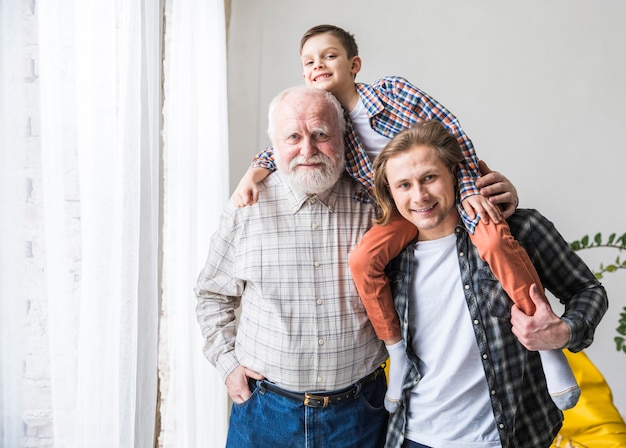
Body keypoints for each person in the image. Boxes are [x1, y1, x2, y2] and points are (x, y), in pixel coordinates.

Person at [231, 24, 579, 412]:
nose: (319, 66)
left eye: (329, 56)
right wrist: (252, 174)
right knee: (362, 261)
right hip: (399, 210)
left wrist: (466, 190)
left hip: (451, 188)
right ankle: (397, 355)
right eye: (309, 62)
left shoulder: (393, 91)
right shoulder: (331, 127)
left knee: (495, 242)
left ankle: (545, 343)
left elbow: (454, 134)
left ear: (354, 63)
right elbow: (286, 142)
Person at [373, 121, 608, 448]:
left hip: (509, 435)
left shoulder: (519, 230)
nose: (420, 195)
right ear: (390, 192)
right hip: (412, 437)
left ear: (455, 175)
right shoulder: (386, 259)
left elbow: (588, 291)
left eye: (429, 177)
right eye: (404, 185)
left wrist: (564, 331)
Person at [195, 85, 391, 447]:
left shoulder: (376, 206)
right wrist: (227, 365)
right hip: (264, 414)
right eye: (293, 137)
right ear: (273, 145)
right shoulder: (246, 207)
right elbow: (211, 295)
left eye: (321, 134)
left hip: (360, 414)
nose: (307, 150)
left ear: (343, 136)